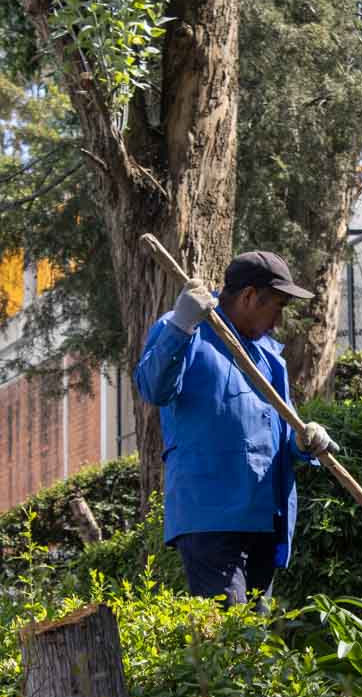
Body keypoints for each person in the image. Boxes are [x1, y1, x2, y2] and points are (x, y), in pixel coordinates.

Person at [134, 250, 337, 608]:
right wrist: (181, 326)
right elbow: (154, 389)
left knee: (255, 637)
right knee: (231, 635)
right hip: (212, 514)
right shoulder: (186, 329)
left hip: (262, 514)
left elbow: (276, 427)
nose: (278, 321)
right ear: (247, 296)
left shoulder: (269, 355)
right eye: (276, 306)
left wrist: (303, 442)